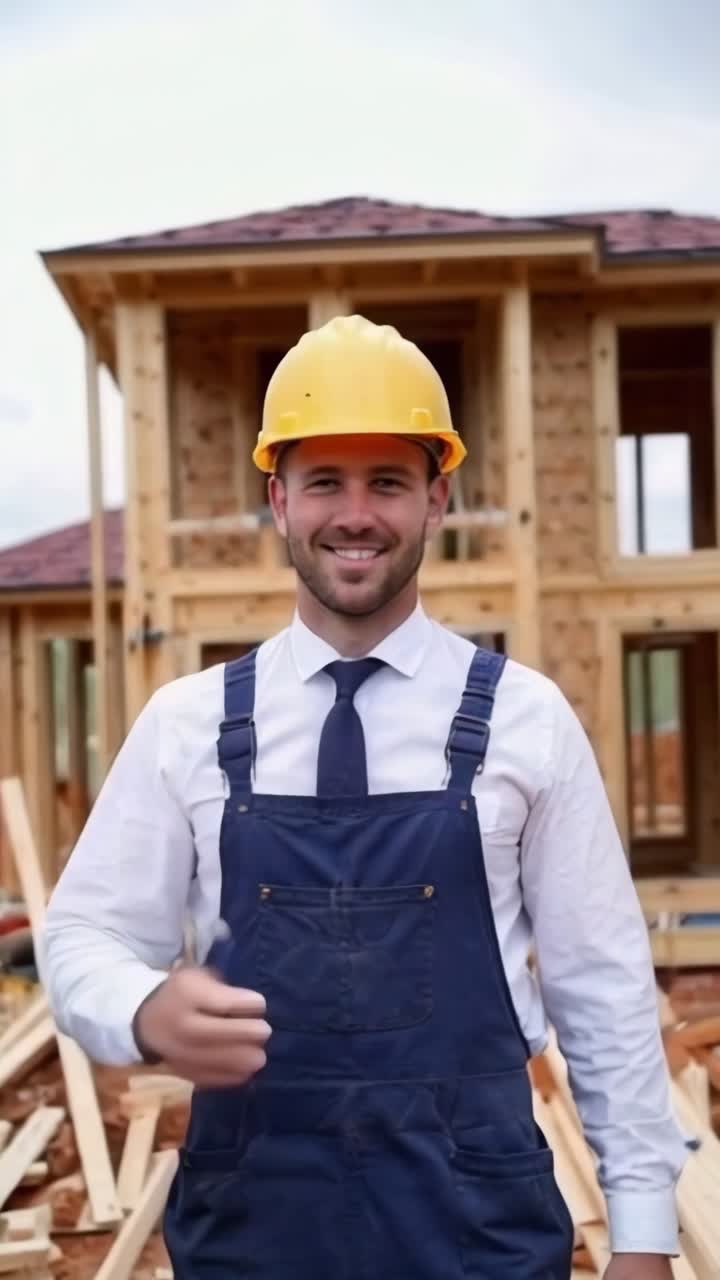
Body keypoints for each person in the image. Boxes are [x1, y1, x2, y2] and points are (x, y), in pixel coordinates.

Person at [42, 315, 686, 1279]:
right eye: (323, 483)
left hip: (477, 1223)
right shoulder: (187, 726)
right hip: (257, 1220)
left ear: (436, 498)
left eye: (387, 481)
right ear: (278, 500)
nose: (355, 513)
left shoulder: (526, 719)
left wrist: (640, 1232)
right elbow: (80, 937)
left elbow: (604, 988)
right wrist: (139, 1007)